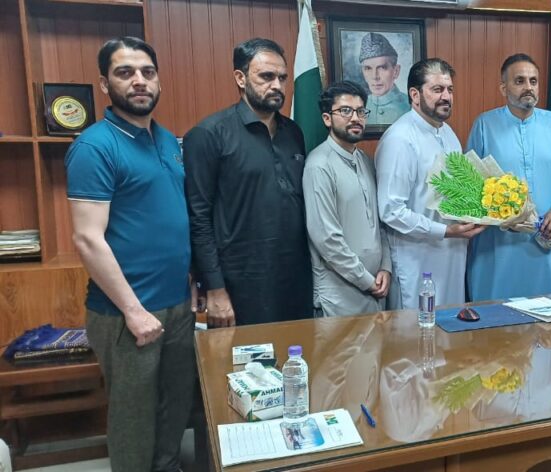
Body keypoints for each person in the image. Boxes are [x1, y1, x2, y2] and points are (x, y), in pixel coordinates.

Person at [65, 36, 194, 472]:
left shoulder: (167, 140)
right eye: (125, 72)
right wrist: (134, 311)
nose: (139, 81)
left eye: (147, 72)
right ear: (105, 84)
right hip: (126, 312)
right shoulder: (95, 147)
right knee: (134, 418)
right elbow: (88, 239)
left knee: (175, 406)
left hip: (177, 304)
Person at [184, 38, 312, 326]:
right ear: (240, 78)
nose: (277, 85)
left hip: (296, 278)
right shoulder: (208, 134)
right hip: (240, 284)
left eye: (282, 78)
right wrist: (215, 288)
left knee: (298, 352)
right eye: (266, 76)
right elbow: (198, 218)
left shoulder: (293, 132)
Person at [466, 53, 551, 301]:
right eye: (519, 81)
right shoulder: (485, 125)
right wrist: (498, 213)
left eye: (533, 81)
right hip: (498, 247)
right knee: (494, 316)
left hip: (544, 240)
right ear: (503, 88)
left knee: (544, 315)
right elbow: (469, 183)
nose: (528, 87)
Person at [376, 58, 484, 309]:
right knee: (416, 329)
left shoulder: (447, 133)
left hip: (453, 254)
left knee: (449, 327)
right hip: (417, 260)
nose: (446, 97)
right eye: (437, 89)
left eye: (450, 89)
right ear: (415, 95)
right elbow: (391, 211)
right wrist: (445, 231)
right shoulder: (400, 139)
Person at [303, 81, 391, 316]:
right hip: (339, 297)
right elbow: (327, 240)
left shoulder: (365, 160)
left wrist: (385, 267)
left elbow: (380, 223)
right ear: (327, 119)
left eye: (361, 111)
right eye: (345, 111)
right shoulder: (319, 165)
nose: (355, 118)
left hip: (375, 289)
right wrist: (367, 281)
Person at [359, 32, 411, 125]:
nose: (375, 76)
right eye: (368, 68)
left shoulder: (411, 106)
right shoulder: (358, 106)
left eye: (382, 67)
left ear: (396, 71)